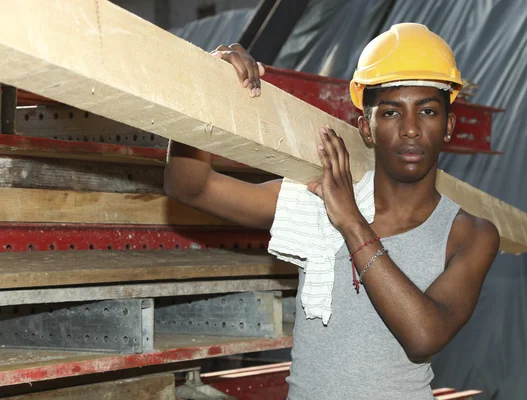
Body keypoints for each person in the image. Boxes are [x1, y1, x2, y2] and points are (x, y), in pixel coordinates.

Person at [164, 23, 499, 400]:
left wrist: (351, 221)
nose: (410, 129)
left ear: (449, 125)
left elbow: (423, 337)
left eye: (427, 111)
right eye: (390, 113)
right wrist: (206, 87)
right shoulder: (318, 200)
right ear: (366, 128)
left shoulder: (469, 234)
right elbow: (191, 187)